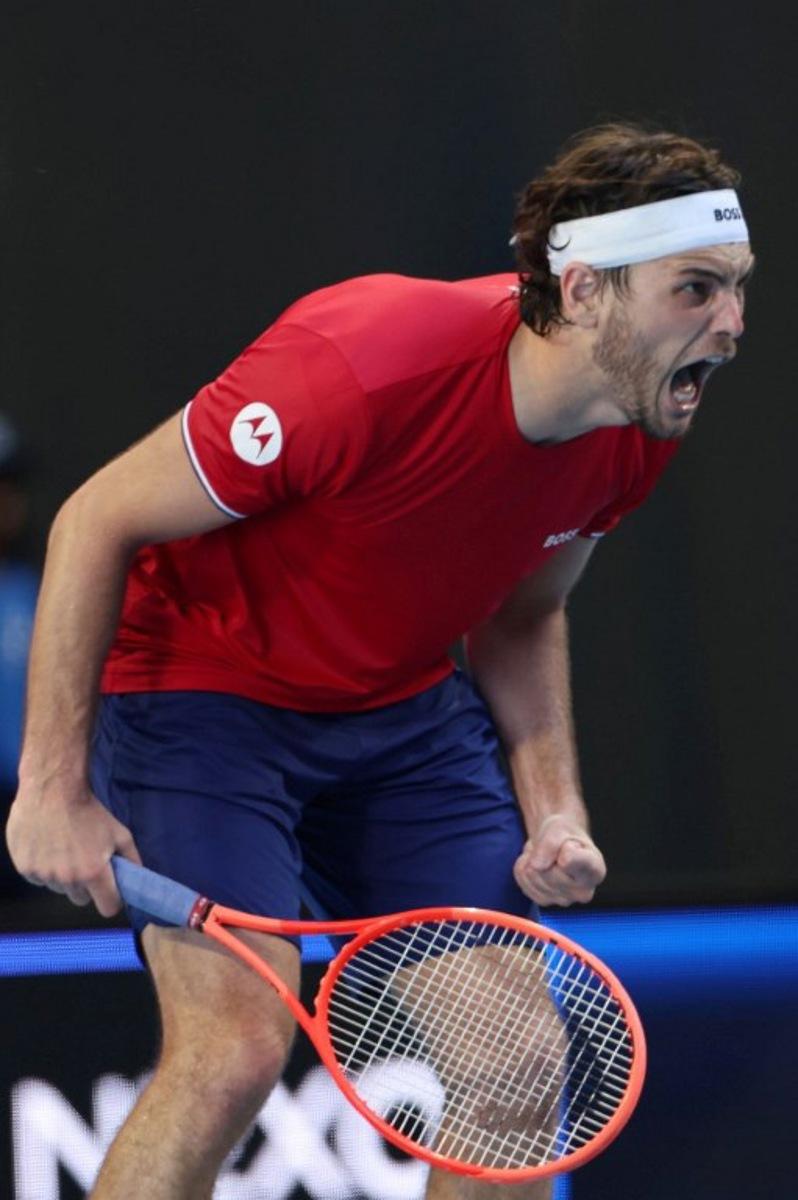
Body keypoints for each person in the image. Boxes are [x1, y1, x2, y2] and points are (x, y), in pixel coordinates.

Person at [6, 121, 753, 1200]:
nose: (732, 323)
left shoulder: (636, 423)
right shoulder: (363, 363)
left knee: (517, 1073)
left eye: (738, 287)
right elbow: (95, 519)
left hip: (400, 718)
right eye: (696, 289)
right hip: (201, 698)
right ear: (586, 290)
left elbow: (524, 613)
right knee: (233, 1054)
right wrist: (50, 788)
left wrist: (555, 809)